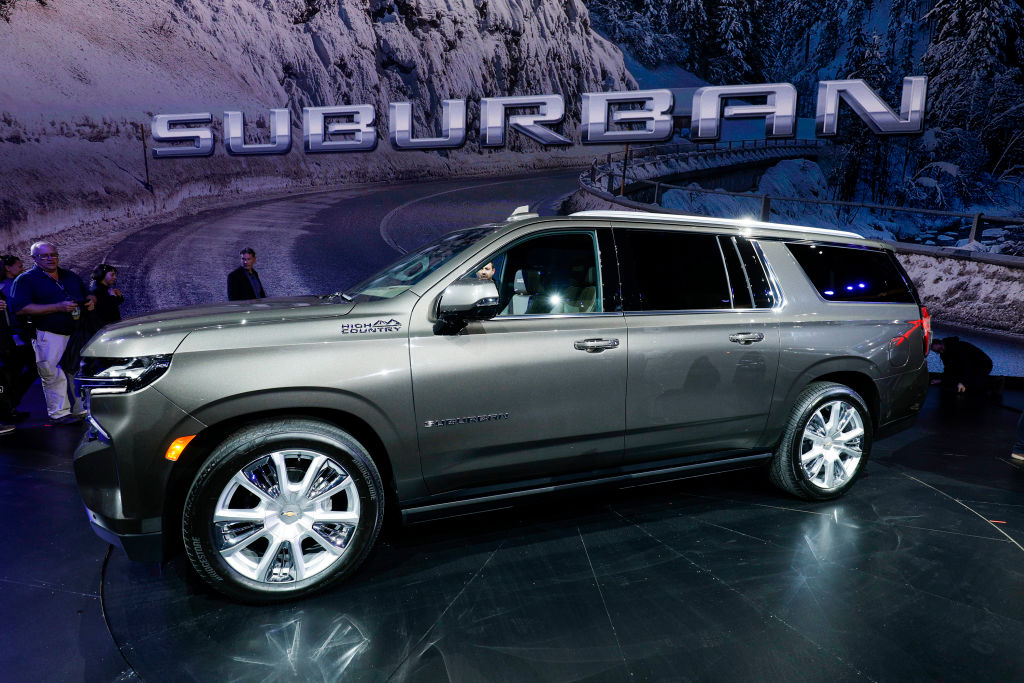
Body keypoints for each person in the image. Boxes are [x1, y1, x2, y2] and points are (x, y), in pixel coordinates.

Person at [9, 242, 95, 424]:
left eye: (53, 254)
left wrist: (90, 299)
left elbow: (88, 293)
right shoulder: (26, 280)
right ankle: (59, 413)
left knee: (78, 372)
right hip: (49, 333)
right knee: (53, 373)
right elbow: (21, 309)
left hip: (76, 333)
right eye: (44, 256)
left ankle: (83, 410)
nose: (50, 258)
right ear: (34, 258)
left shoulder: (69, 275)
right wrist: (57, 307)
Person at [0, 255, 33, 421]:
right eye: (19, 266)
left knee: (12, 375)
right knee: (11, 375)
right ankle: (9, 405)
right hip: (14, 338)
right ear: (7, 268)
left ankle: (10, 405)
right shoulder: (10, 286)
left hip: (12, 338)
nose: (22, 268)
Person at [89, 263, 125, 329]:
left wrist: (118, 296)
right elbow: (108, 309)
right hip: (105, 329)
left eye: (115, 275)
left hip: (109, 327)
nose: (115, 277)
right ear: (102, 275)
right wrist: (113, 296)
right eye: (112, 275)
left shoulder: (104, 288)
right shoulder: (98, 290)